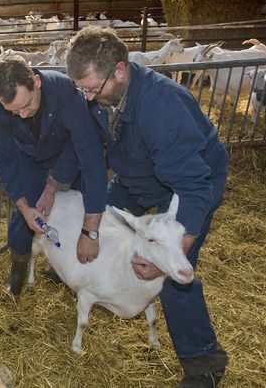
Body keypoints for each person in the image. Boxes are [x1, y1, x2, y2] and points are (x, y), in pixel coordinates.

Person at [66, 26, 229, 388]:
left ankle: (205, 362)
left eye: (94, 88)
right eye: (83, 90)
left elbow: (192, 185)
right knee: (100, 216)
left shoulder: (161, 106)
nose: (89, 97)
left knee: (174, 274)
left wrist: (166, 257)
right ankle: (78, 273)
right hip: (138, 174)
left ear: (120, 71)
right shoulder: (103, 96)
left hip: (193, 180)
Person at [0, 55, 108, 295]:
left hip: (67, 155)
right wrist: (23, 206)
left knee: (78, 209)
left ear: (36, 82)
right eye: (14, 111)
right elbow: (4, 159)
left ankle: (62, 268)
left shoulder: (65, 92)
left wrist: (54, 187)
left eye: (27, 104)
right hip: (29, 159)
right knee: (25, 218)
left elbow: (88, 153)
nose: (22, 114)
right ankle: (17, 276)